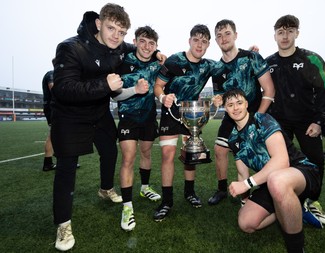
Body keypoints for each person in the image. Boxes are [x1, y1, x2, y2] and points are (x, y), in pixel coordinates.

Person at [51, 4, 168, 251]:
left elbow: (138, 47)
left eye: (122, 31)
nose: (116, 35)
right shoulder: (71, 47)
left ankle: (105, 189)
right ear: (98, 24)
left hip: (99, 113)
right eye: (111, 28)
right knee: (67, 169)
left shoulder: (120, 46)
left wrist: (157, 52)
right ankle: (63, 225)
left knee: (110, 152)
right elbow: (63, 88)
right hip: (70, 116)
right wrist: (104, 85)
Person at [224, 89, 321, 253]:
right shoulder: (233, 138)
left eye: (239, 103)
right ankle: (296, 209)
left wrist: (247, 184)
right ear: (225, 109)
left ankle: (296, 249)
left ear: (246, 104)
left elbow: (281, 161)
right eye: (230, 105)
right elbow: (242, 173)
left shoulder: (262, 119)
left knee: (277, 180)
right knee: (246, 223)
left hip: (300, 171)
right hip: (270, 182)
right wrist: (244, 200)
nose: (235, 108)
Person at [265, 14, 325, 225]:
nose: (285, 36)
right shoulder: (269, 62)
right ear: (274, 35)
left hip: (307, 121)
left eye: (289, 31)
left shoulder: (311, 59)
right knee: (280, 161)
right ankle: (280, 198)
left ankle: (312, 201)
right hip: (279, 121)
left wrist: (319, 121)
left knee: (315, 160)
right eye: (281, 32)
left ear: (297, 33)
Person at [208, 19, 275, 206]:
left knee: (264, 154)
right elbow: (221, 97)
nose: (224, 38)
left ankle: (267, 188)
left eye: (227, 33)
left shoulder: (251, 57)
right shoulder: (217, 69)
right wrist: (217, 100)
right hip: (233, 117)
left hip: (256, 114)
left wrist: (258, 117)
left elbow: (269, 90)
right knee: (220, 149)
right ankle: (222, 189)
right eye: (219, 36)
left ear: (235, 36)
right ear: (216, 40)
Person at [153, 24, 216, 222]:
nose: (200, 44)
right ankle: (167, 200)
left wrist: (251, 52)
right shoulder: (174, 60)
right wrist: (164, 98)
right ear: (189, 41)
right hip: (171, 113)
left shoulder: (208, 65)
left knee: (191, 154)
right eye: (196, 40)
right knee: (168, 154)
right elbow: (158, 85)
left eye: (204, 41)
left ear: (208, 45)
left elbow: (229, 64)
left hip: (192, 116)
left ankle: (190, 192)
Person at [112, 26, 162, 231]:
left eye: (151, 43)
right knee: (128, 158)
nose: (147, 47)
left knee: (146, 152)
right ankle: (127, 206)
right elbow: (115, 95)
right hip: (128, 118)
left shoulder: (158, 63)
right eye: (143, 41)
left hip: (149, 117)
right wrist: (135, 90)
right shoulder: (123, 61)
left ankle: (144, 188)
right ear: (135, 41)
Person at [42, 69, 56, 171]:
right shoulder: (52, 74)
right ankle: (48, 163)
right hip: (53, 108)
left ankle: (49, 162)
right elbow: (53, 88)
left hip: (53, 107)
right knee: (53, 135)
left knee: (56, 134)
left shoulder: (52, 73)